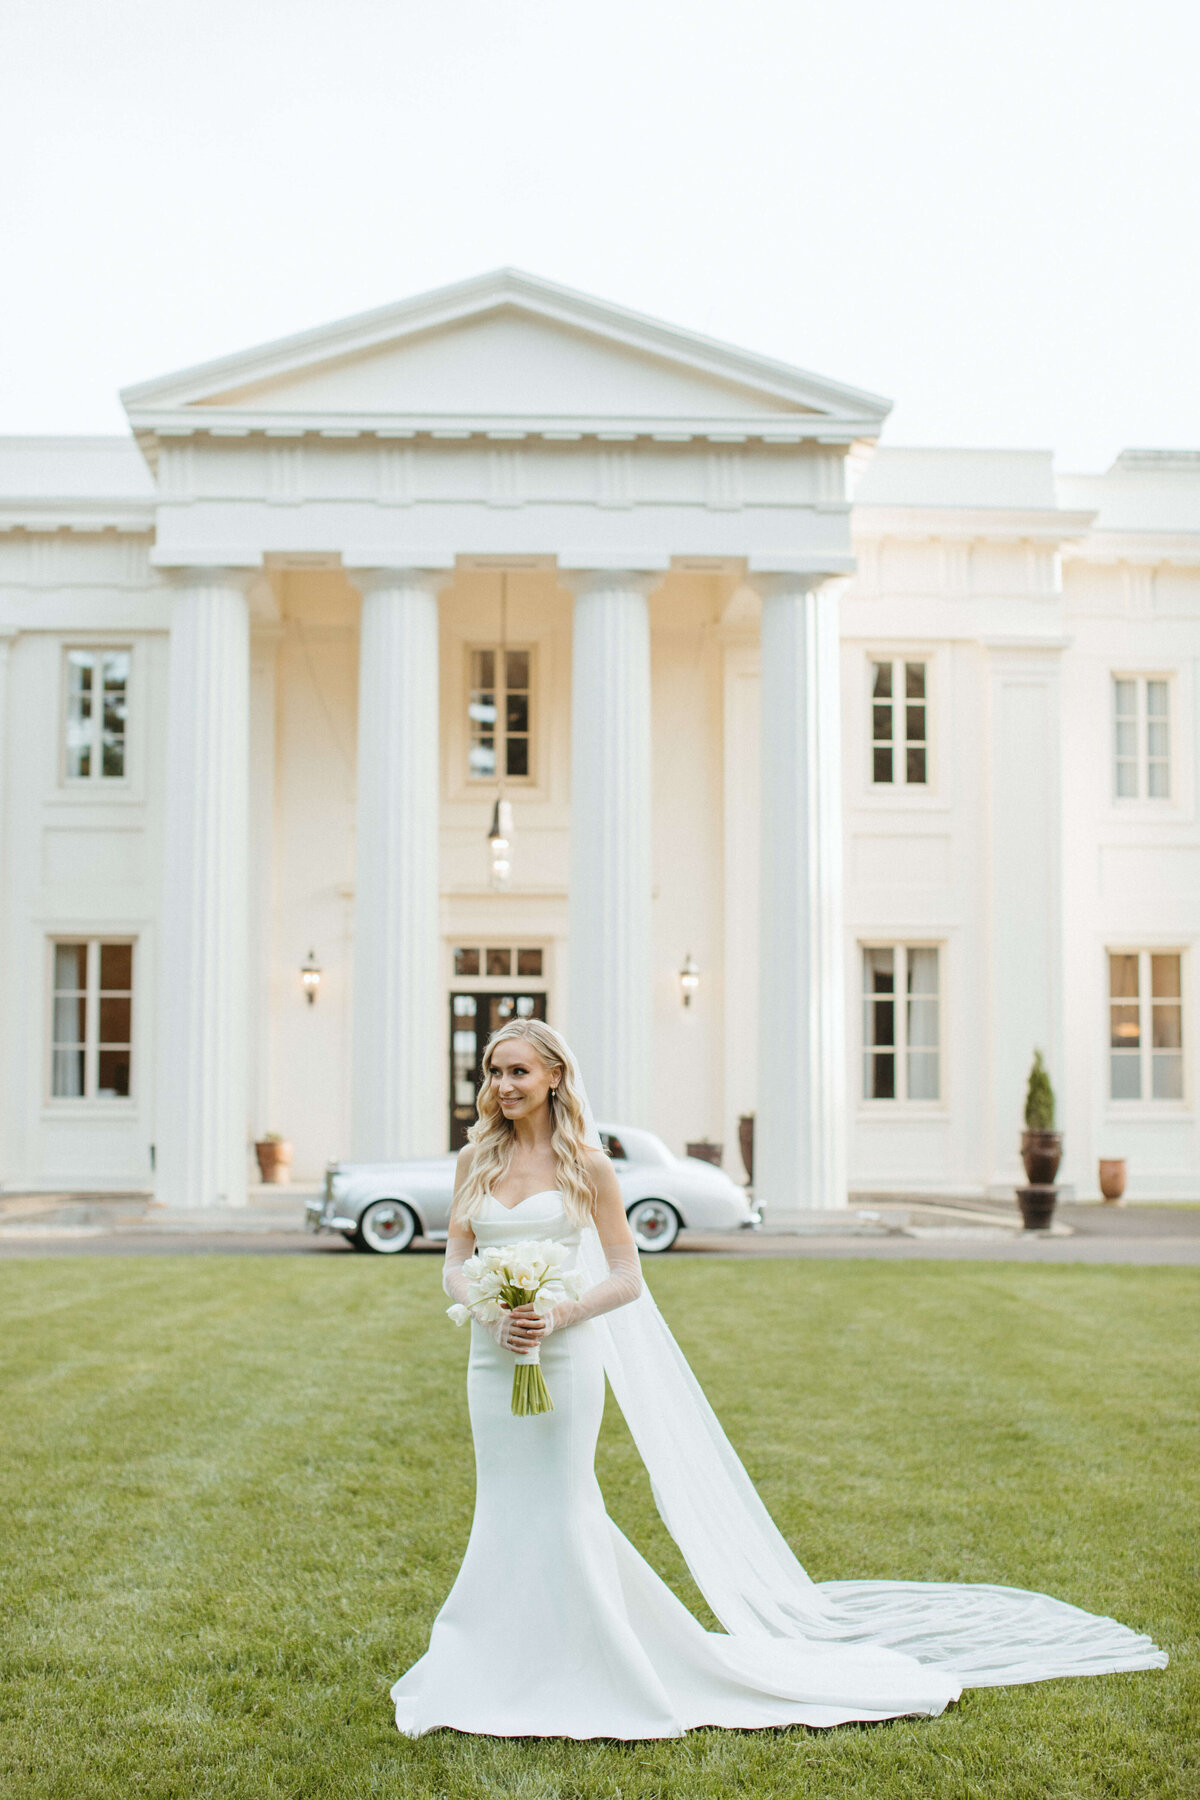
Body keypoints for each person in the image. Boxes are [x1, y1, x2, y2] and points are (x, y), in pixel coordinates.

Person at [390, 1021, 1166, 1739]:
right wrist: (491, 1312)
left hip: (563, 1356)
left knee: (561, 1501)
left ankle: (589, 1660)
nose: (503, 1084)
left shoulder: (587, 1166)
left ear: (555, 1075)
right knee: (504, 1502)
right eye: (494, 1072)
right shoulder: (476, 1161)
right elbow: (455, 1265)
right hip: (493, 1362)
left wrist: (557, 1317)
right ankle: (494, 1657)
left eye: (518, 1070)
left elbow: (626, 1277)